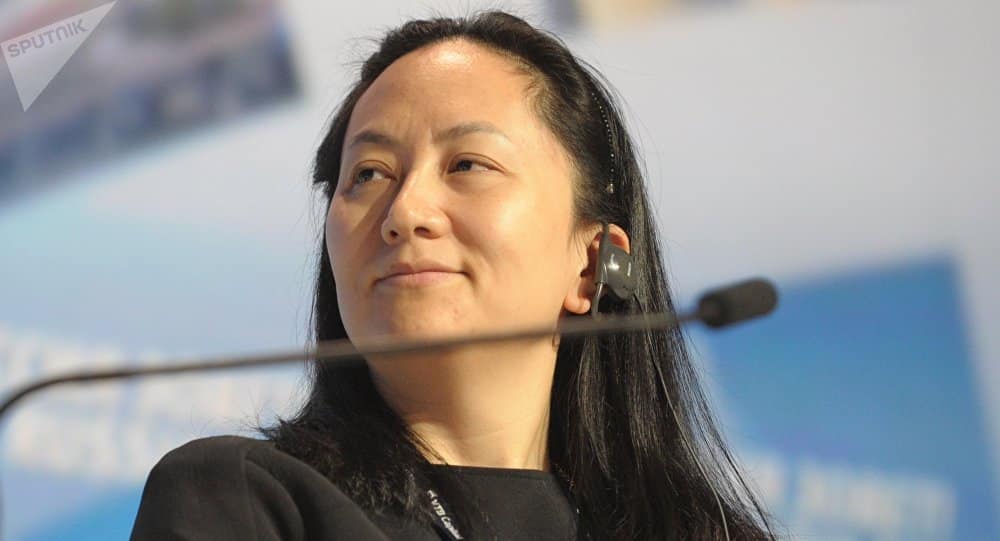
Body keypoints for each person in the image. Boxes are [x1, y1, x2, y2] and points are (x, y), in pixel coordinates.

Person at [130, 11, 776, 541]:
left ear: (592, 263)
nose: (405, 213)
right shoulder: (247, 499)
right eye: (369, 174)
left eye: (467, 164)